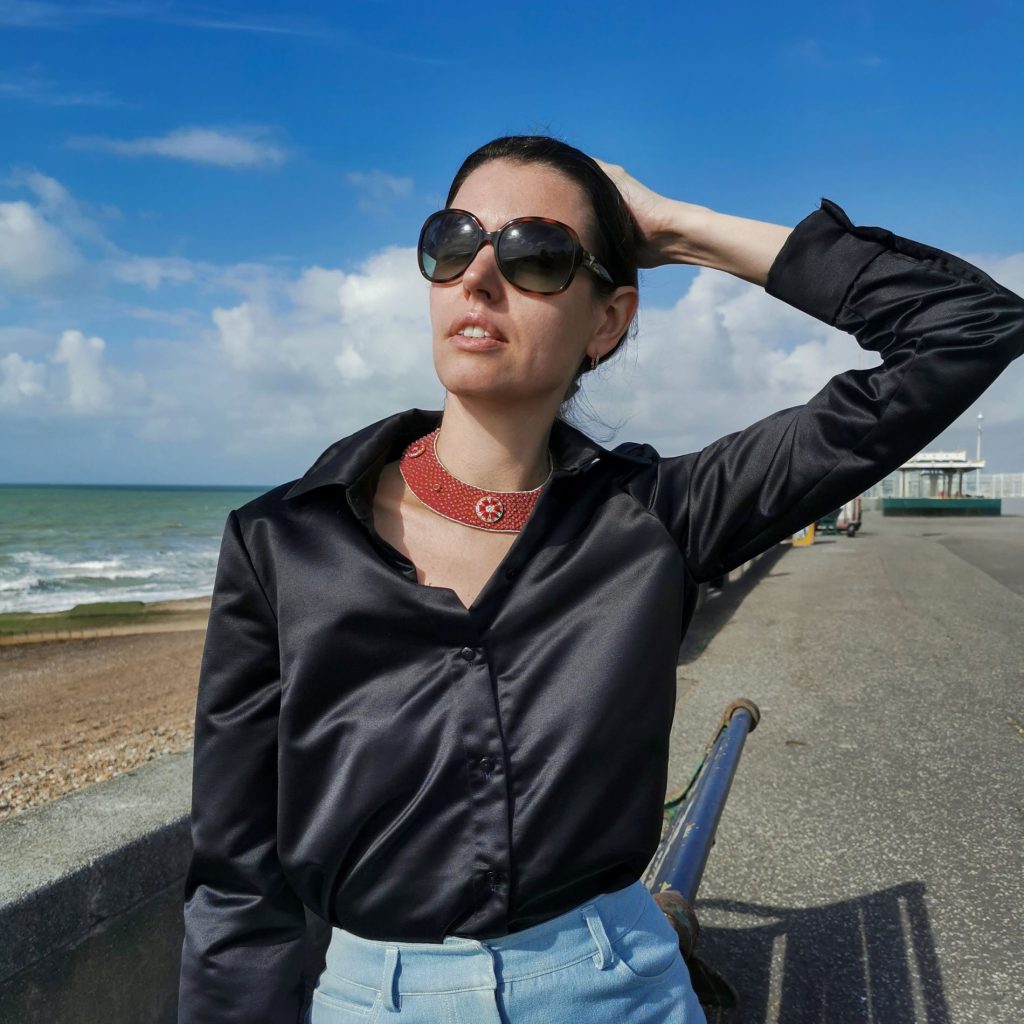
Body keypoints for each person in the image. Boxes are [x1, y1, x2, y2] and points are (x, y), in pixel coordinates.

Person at [177, 135, 1024, 1023]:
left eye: (535, 255)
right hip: (373, 998)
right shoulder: (285, 542)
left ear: (609, 321)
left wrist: (681, 228)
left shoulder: (658, 516)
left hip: (618, 989)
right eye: (453, 240)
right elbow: (237, 882)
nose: (478, 278)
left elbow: (967, 326)